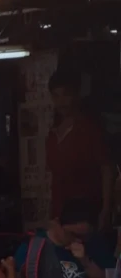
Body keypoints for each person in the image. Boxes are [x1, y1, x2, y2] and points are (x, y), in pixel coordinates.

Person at [46, 70, 112, 231]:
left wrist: (106, 209)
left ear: (76, 95)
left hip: (87, 212)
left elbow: (107, 168)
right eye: (56, 96)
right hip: (60, 213)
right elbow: (53, 178)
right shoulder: (52, 134)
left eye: (66, 95)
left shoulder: (90, 129)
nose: (61, 102)